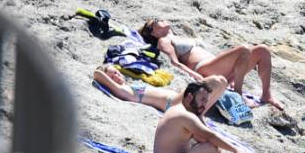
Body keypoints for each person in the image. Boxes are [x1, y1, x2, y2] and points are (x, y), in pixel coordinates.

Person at [139, 19, 284, 111]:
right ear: (154, 32)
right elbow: (174, 63)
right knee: (244, 49)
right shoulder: (163, 41)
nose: (160, 20)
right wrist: (196, 76)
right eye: (155, 21)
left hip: (218, 67)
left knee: (263, 50)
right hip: (204, 68)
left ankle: (266, 95)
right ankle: (238, 95)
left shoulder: (176, 36)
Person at [93, 63, 227, 114]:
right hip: (173, 103)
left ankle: (200, 115)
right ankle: (199, 116)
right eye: (112, 75)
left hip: (176, 99)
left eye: (116, 72)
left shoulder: (128, 86)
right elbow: (97, 74)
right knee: (214, 81)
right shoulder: (123, 90)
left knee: (223, 82)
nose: (117, 75)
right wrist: (106, 74)